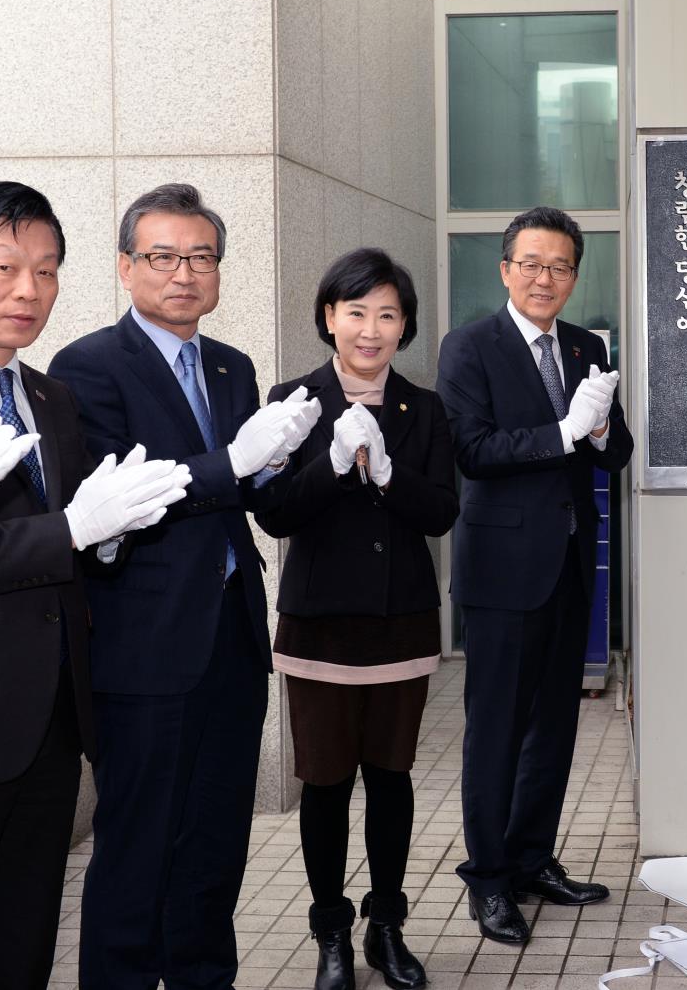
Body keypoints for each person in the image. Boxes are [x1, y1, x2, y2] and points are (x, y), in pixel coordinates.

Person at [0, 180, 189, 989]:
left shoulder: (51, 397)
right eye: (6, 266)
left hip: (54, 724)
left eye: (49, 270)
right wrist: (69, 530)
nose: (30, 290)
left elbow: (73, 545)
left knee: (21, 946)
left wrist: (106, 537)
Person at [49, 183, 322, 990]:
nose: (184, 273)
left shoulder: (232, 366)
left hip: (232, 642)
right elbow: (123, 496)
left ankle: (205, 976)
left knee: (214, 844)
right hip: (144, 647)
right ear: (127, 266)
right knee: (137, 846)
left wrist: (292, 462)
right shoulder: (89, 366)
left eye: (201, 257)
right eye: (163, 256)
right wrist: (234, 462)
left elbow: (253, 504)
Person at [255, 248, 458, 990]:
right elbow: (273, 513)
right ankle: (331, 932)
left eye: (387, 314)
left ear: (404, 325)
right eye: (355, 312)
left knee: (393, 780)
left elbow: (443, 511)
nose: (370, 329)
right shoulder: (293, 399)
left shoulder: (425, 408)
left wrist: (391, 474)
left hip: (399, 624)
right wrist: (333, 466)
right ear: (328, 318)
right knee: (327, 786)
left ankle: (388, 927)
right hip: (320, 629)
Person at [436, 205, 634, 945]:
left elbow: (615, 453)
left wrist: (604, 426)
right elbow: (474, 451)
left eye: (560, 266)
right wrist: (564, 431)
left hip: (570, 566)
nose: (545, 277)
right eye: (532, 263)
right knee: (496, 729)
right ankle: (488, 880)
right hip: (501, 572)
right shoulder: (470, 347)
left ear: (575, 275)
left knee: (553, 725)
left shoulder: (585, 346)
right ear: (505, 269)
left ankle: (530, 858)